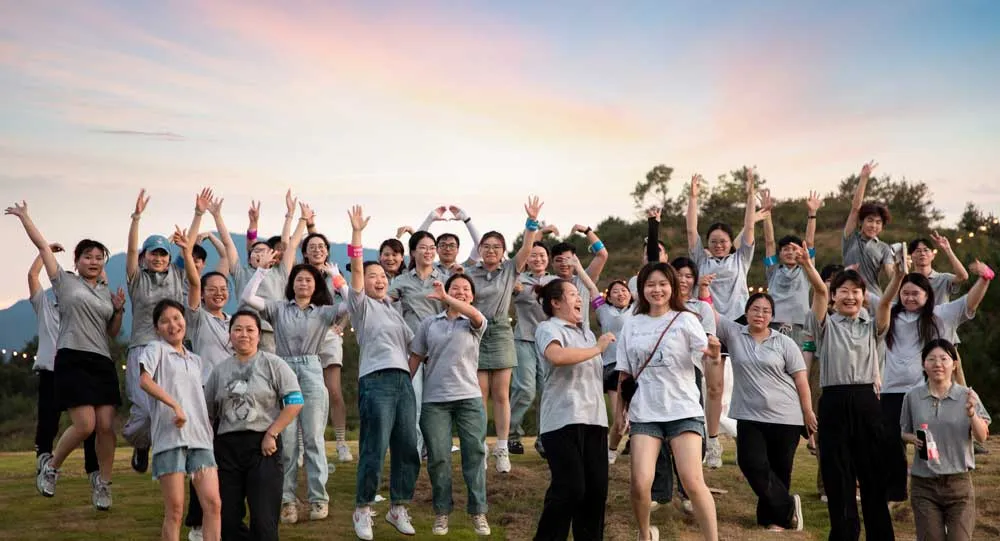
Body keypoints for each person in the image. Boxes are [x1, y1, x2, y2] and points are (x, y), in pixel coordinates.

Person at [6, 201, 126, 507]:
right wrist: (25, 217)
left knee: (106, 426)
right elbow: (42, 247)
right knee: (85, 425)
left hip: (101, 361)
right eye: (88, 256)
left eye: (99, 258)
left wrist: (119, 310)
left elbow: (112, 332)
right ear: (78, 260)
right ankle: (51, 467)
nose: (94, 261)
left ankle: (103, 484)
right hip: (73, 358)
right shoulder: (64, 281)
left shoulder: (104, 290)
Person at [242, 205, 338, 525]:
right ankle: (287, 501)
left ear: (316, 285)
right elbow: (248, 297)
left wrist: (336, 278)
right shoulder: (278, 308)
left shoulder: (323, 311)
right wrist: (261, 270)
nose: (304, 283)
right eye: (299, 279)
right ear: (292, 283)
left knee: (313, 438)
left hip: (311, 369)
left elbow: (353, 304)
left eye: (309, 280)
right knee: (286, 443)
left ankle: (318, 498)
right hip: (283, 370)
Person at [615, 262, 724, 541]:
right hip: (644, 412)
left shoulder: (686, 320)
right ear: (641, 289)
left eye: (663, 284)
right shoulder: (632, 324)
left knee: (693, 481)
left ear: (672, 287)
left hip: (682, 409)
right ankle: (645, 534)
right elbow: (625, 374)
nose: (657, 290)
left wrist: (714, 356)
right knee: (640, 484)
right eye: (650, 284)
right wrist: (618, 414)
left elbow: (708, 364)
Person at [800, 244, 895, 541]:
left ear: (863, 296)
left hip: (866, 400)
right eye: (843, 291)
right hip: (833, 401)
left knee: (872, 474)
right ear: (834, 296)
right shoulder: (825, 325)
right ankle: (843, 534)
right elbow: (819, 291)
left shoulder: (872, 325)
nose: (850, 296)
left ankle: (880, 535)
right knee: (838, 474)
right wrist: (808, 265)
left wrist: (899, 277)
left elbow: (886, 302)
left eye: (856, 291)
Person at [877, 263, 991, 505]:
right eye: (905, 293)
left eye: (915, 293)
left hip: (925, 391)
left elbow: (969, 303)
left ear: (927, 295)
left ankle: (936, 485)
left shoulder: (940, 315)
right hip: (892, 389)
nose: (909, 298)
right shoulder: (891, 315)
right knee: (891, 440)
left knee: (931, 437)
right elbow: (876, 300)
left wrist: (985, 279)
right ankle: (895, 493)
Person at [346, 205, 421, 541]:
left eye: (382, 276)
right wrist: (357, 234)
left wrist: (409, 374)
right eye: (372, 275)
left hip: (402, 381)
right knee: (374, 447)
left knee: (407, 446)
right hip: (375, 381)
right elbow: (357, 271)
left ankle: (398, 507)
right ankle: (363, 509)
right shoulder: (361, 306)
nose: (379, 279)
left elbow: (415, 348)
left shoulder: (394, 311)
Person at [124, 188, 210, 472]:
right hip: (143, 346)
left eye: (163, 254)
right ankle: (141, 443)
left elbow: (188, 246)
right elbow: (131, 250)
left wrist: (198, 213)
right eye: (153, 254)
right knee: (145, 411)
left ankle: (176, 454)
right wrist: (136, 217)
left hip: (172, 348)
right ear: (145, 257)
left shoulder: (176, 273)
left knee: (174, 404)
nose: (159, 258)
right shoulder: (137, 278)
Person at [716, 292, 816, 531]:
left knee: (779, 469)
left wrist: (808, 412)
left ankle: (774, 520)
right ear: (746, 312)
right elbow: (710, 314)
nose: (760, 314)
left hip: (786, 417)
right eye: (755, 309)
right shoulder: (734, 334)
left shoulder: (784, 343)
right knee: (751, 463)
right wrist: (703, 290)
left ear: (772, 316)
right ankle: (787, 504)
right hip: (749, 415)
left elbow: (801, 379)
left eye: (766, 311)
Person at [204, 311, 303, 541]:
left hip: (264, 446)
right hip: (227, 449)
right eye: (238, 329)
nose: (244, 335)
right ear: (230, 335)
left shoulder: (273, 364)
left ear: (259, 335)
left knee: (264, 521)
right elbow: (208, 413)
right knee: (227, 521)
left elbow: (295, 401)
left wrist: (272, 433)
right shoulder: (219, 371)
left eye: (250, 330)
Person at [465, 196, 544, 473]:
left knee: (501, 394)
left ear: (503, 252)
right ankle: (479, 446)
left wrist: (531, 223)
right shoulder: (468, 272)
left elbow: (527, 248)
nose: (491, 250)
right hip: (474, 331)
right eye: (486, 246)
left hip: (500, 331)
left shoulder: (510, 269)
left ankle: (502, 448)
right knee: (479, 393)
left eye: (496, 247)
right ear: (479, 249)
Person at [408, 275, 491, 536]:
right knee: (439, 457)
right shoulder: (429, 323)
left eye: (466, 289)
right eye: (455, 288)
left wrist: (447, 297)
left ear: (472, 296)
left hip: (469, 398)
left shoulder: (475, 321)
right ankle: (442, 512)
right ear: (445, 291)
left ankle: (478, 511)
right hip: (435, 400)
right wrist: (403, 385)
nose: (461, 292)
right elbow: (416, 357)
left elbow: (475, 315)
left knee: (474, 454)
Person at [532, 278, 614, 540]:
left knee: (595, 493)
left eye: (579, 295)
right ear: (555, 303)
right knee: (570, 488)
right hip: (562, 420)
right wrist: (598, 348)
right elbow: (557, 357)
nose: (579, 299)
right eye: (572, 295)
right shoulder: (548, 328)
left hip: (595, 420)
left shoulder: (586, 334)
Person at [138, 299, 221, 541]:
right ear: (157, 328)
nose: (173, 325)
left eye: (176, 318)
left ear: (185, 320)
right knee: (175, 510)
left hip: (200, 439)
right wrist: (175, 405)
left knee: (213, 504)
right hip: (170, 438)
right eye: (165, 321)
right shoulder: (156, 349)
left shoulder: (195, 360)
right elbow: (144, 380)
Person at [27, 245, 102, 508]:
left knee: (88, 425)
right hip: (50, 372)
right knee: (48, 422)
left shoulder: (83, 313)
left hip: (76, 373)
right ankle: (44, 461)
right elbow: (33, 277)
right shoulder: (45, 308)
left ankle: (94, 471)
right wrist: (45, 252)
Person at [901, 339, 991, 541]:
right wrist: (912, 438)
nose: (938, 364)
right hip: (924, 484)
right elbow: (903, 431)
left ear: (954, 364)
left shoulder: (967, 395)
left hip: (958, 484)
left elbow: (982, 436)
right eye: (931, 359)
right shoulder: (912, 397)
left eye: (944, 359)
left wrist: (971, 413)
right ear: (923, 364)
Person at [179, 215, 235, 541]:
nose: (218, 293)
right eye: (212, 289)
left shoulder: (234, 322)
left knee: (226, 456)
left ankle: (222, 519)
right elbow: (194, 283)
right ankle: (197, 523)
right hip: (204, 393)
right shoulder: (197, 318)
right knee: (203, 455)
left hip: (234, 395)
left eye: (223, 289)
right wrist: (188, 252)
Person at [389, 230, 449, 457]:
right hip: (411, 349)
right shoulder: (402, 281)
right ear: (413, 252)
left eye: (432, 248)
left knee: (436, 405)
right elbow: (383, 302)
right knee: (413, 402)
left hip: (439, 350)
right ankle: (413, 453)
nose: (428, 251)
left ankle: (434, 450)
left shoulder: (444, 280)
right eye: (423, 247)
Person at [299, 226, 353, 462]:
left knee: (334, 390)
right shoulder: (299, 274)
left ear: (327, 251)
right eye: (312, 247)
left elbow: (352, 301)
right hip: (304, 336)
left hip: (329, 336)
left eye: (321, 246)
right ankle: (302, 445)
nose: (317, 250)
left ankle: (341, 443)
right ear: (305, 252)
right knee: (304, 391)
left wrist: (341, 326)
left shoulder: (334, 273)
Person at [227, 191, 299, 354]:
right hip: (246, 327)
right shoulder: (244, 272)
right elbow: (250, 246)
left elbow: (288, 245)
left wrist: (291, 215)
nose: (259, 253)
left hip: (272, 330)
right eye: (256, 251)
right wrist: (253, 223)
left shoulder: (280, 273)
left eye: (265, 251)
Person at [685, 170, 758, 321]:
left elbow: (749, 226)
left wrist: (751, 195)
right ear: (707, 243)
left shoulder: (740, 258)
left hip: (739, 319)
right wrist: (693, 198)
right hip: (709, 319)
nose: (718, 245)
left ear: (731, 242)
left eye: (723, 241)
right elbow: (691, 230)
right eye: (713, 242)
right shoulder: (702, 260)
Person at [509, 240, 556, 456]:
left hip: (548, 342)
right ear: (526, 259)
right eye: (533, 255)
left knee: (547, 391)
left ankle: (544, 438)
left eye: (542, 255)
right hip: (524, 339)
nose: (538, 259)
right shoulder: (517, 279)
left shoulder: (555, 282)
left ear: (548, 259)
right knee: (525, 390)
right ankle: (511, 435)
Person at [842, 161, 895, 296]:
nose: (873, 225)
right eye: (870, 220)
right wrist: (864, 178)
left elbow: (891, 273)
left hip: (873, 297)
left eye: (878, 222)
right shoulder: (851, 238)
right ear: (861, 222)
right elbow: (855, 209)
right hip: (850, 294)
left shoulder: (884, 248)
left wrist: (900, 270)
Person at [596, 278, 632, 464]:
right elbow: (591, 287)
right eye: (615, 291)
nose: (620, 294)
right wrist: (578, 266)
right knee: (620, 421)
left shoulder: (638, 309)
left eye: (624, 290)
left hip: (636, 368)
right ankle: (611, 451)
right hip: (613, 368)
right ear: (608, 298)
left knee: (639, 416)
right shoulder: (603, 310)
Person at [398, 205, 483, 274]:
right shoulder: (428, 266)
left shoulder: (466, 267)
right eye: (443, 245)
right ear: (436, 249)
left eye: (452, 245)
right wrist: (429, 219)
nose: (447, 249)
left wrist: (467, 220)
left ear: (458, 250)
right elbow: (417, 245)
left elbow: (481, 246)